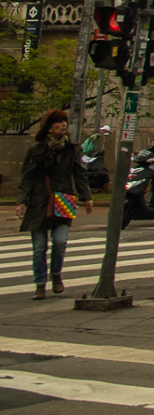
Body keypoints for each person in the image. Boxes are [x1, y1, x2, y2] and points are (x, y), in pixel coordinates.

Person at [14, 109, 94, 299]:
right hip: (39, 202)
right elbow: (28, 177)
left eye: (64, 121)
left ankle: (56, 274)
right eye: (58, 122)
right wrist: (21, 202)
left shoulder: (73, 148)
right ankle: (40, 284)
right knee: (39, 247)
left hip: (64, 199)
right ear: (49, 128)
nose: (63, 125)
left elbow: (80, 173)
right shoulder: (37, 149)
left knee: (60, 241)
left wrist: (87, 197)